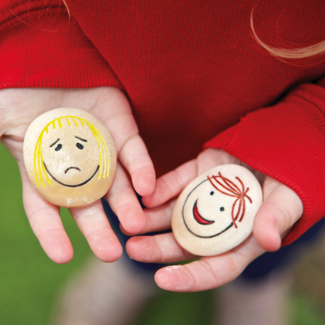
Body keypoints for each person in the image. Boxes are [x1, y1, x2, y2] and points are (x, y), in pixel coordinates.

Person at [0, 0, 325, 323]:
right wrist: (29, 37)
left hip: (291, 144)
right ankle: (132, 269)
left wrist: (314, 127)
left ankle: (255, 284)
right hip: (131, 114)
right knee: (133, 203)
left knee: (273, 227)